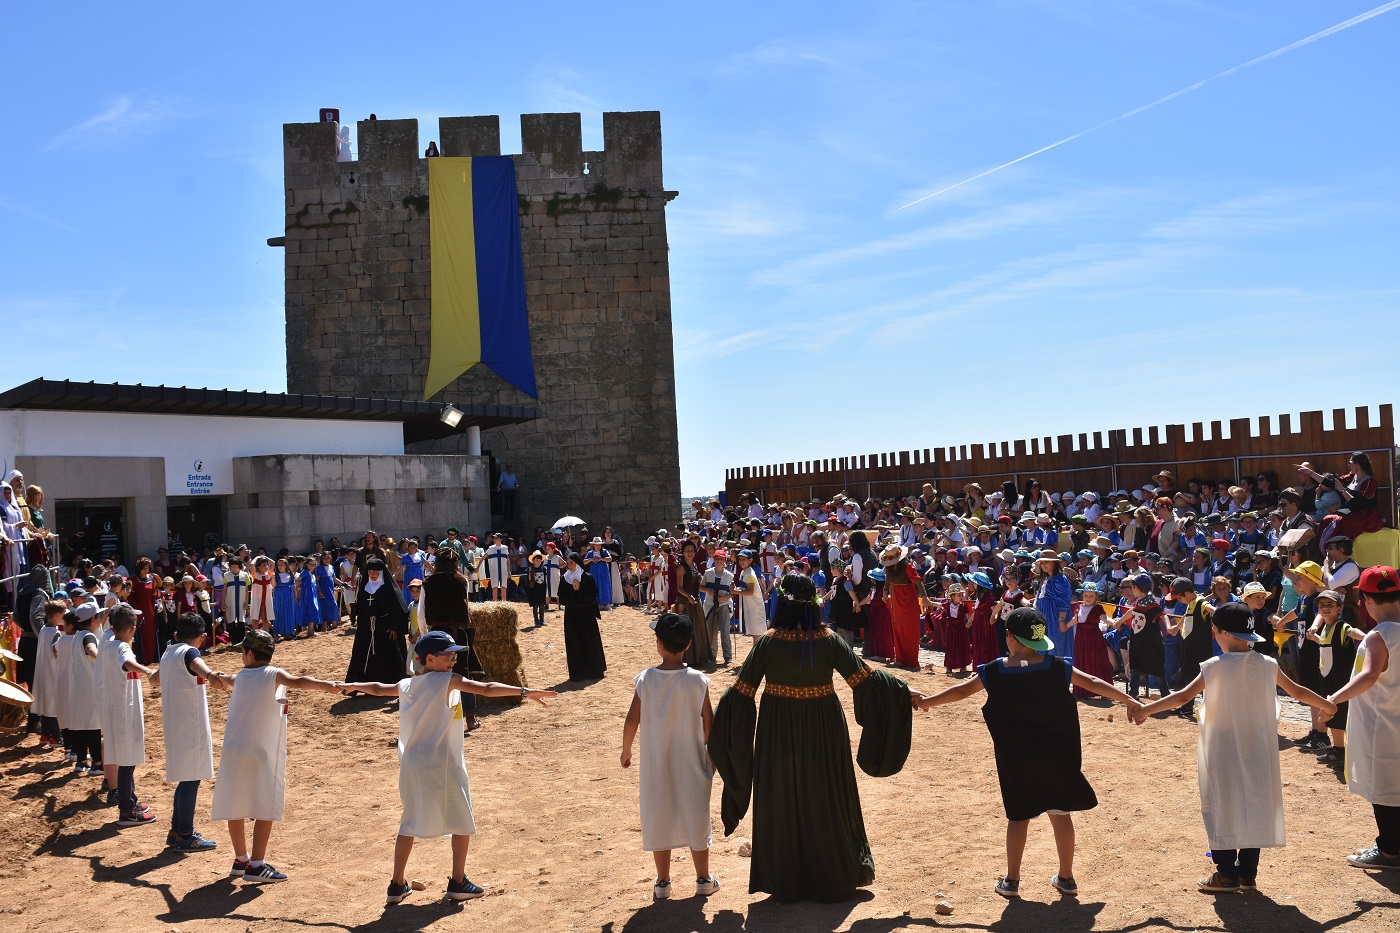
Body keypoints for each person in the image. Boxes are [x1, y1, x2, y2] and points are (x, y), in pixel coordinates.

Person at [708, 573, 918, 902]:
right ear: (813, 605)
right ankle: (832, 874)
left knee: (782, 794)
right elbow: (865, 679)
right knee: (827, 794)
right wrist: (902, 691)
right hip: (825, 727)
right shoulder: (829, 639)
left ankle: (786, 879)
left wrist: (715, 729)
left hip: (777, 729)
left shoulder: (768, 642)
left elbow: (740, 695)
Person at [915, 607, 1142, 899]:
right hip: (1058, 755)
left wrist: (927, 702)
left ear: (1009, 637)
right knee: (1060, 814)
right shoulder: (1056, 666)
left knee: (1019, 817)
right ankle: (1067, 878)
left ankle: (1011, 881)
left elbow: (960, 691)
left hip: (1017, 758)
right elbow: (1094, 682)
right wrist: (1127, 698)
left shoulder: (995, 670)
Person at [339, 630, 556, 904]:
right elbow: (486, 688)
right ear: (430, 658)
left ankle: (396, 884)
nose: (454, 659)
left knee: (409, 820)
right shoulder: (448, 681)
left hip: (411, 762)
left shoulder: (407, 685)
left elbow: (380, 688)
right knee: (462, 818)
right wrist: (524, 690)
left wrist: (355, 684)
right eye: (449, 655)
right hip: (442, 761)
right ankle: (457, 881)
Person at [1131, 603, 1336, 893]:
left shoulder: (1214, 667)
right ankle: (1248, 874)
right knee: (1255, 800)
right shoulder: (1268, 664)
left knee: (1222, 803)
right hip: (1259, 746)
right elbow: (1298, 692)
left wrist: (1146, 710)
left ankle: (1226, 874)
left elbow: (1181, 698)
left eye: (1214, 630)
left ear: (1222, 633)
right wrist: (1327, 704)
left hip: (1222, 746)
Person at [210, 630, 341, 882]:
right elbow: (300, 680)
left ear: (249, 653)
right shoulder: (272, 674)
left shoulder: (240, 677)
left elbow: (223, 679)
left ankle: (241, 859)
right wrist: (327, 686)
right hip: (261, 751)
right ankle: (257, 865)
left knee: (234, 804)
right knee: (264, 804)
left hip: (234, 749)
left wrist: (214, 676)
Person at [620, 613, 719, 901]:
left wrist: (626, 750)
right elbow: (708, 722)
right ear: (688, 645)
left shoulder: (647, 679)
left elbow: (631, 720)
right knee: (696, 815)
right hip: (691, 761)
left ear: (658, 643)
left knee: (658, 815)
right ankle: (703, 878)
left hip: (656, 764)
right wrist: (711, 760)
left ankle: (663, 882)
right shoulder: (698, 681)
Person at [1326, 565, 1400, 870]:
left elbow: (1370, 675)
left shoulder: (1378, 636)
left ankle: (1389, 852)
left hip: (1381, 724)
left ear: (1366, 601)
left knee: (1384, 789)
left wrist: (1334, 698)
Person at [157, 613, 224, 852]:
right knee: (191, 779)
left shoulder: (168, 653)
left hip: (175, 723)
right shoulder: (189, 652)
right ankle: (185, 834)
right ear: (203, 637)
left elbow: (155, 680)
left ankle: (177, 830)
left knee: (187, 778)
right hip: (190, 724)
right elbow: (201, 668)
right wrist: (215, 677)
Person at [100, 606, 158, 827]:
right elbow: (127, 662)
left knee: (126, 758)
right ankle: (126, 809)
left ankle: (130, 801)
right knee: (127, 760)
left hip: (116, 706)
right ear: (133, 629)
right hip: (125, 709)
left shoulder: (107, 645)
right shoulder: (122, 647)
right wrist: (148, 671)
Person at [418, 549, 484, 730]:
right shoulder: (462, 581)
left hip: (437, 634)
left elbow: (421, 614)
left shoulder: (429, 582)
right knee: (464, 673)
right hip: (457, 633)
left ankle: (435, 718)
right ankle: (470, 717)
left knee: (434, 675)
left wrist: (425, 637)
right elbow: (466, 606)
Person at [345, 557, 409, 685]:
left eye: (375, 572)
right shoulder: (364, 587)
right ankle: (362, 683)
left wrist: (394, 627)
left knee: (384, 655)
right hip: (366, 628)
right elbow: (361, 607)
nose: (372, 574)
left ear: (381, 572)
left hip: (385, 628)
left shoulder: (388, 588)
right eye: (370, 571)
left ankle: (387, 683)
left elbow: (400, 609)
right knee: (363, 654)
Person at [65, 601, 107, 776]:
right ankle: (97, 762)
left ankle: (81, 761)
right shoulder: (88, 637)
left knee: (80, 726)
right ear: (93, 619)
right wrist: (103, 659)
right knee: (93, 726)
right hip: (89, 687)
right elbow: (91, 649)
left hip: (77, 687)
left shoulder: (77, 635)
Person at [560, 552, 607, 681]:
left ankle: (594, 670)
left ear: (578, 563)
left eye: (571, 562)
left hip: (586, 614)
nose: (569, 565)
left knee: (590, 642)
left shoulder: (587, 577)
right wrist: (574, 591)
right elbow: (562, 598)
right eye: (567, 562)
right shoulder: (564, 578)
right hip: (572, 615)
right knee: (574, 642)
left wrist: (580, 590)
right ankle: (578, 673)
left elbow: (593, 595)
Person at [880, 544, 927, 670]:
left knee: (910, 630)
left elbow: (918, 581)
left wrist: (925, 597)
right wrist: (885, 591)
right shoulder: (889, 568)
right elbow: (888, 580)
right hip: (895, 599)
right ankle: (900, 658)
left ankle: (911, 660)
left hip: (908, 599)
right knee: (898, 628)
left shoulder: (908, 566)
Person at [526, 551, 549, 626]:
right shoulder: (530, 569)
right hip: (534, 589)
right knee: (535, 604)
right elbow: (529, 579)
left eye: (540, 560)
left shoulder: (544, 569)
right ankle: (536, 620)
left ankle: (542, 620)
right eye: (536, 560)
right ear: (533, 561)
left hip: (542, 589)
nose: (538, 562)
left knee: (542, 604)